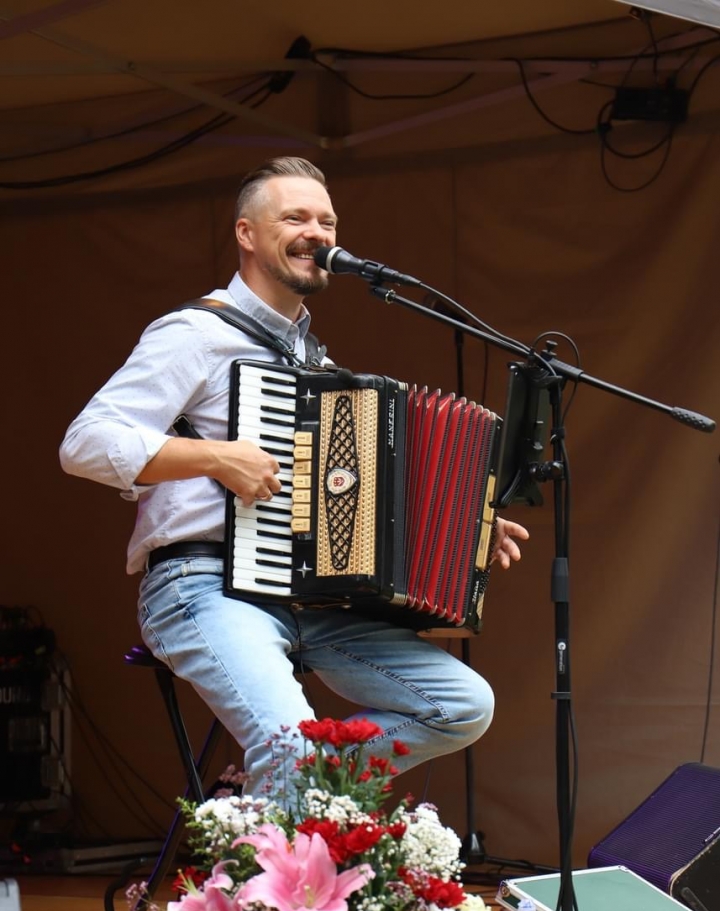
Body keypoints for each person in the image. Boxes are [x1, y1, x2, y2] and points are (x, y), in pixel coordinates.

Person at [59, 156, 529, 803]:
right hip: (203, 583)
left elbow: (366, 493)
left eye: (327, 221)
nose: (318, 232)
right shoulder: (196, 333)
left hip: (308, 600)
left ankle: (279, 790)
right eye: (296, 217)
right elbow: (85, 443)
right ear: (247, 233)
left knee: (462, 705)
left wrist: (463, 527)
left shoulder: (316, 363)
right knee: (288, 738)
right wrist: (216, 458)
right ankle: (286, 813)